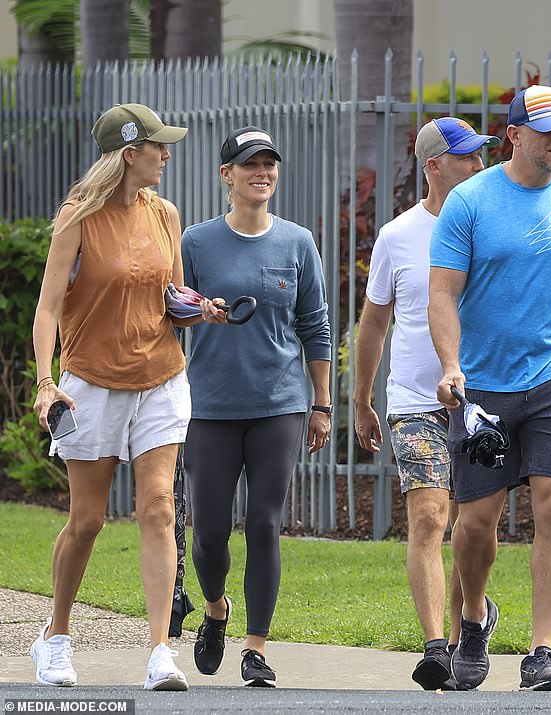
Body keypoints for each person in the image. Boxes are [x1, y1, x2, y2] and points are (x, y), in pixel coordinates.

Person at [428, 85, 551, 692]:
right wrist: (451, 364)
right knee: (477, 521)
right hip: (481, 384)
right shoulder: (470, 201)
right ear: (513, 135)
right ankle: (475, 618)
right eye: (549, 130)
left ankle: (542, 652)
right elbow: (442, 292)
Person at [30, 103, 202, 691]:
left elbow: (173, 296)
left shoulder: (166, 214)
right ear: (131, 155)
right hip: (90, 384)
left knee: (158, 506)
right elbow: (48, 307)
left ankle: (160, 653)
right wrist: (45, 382)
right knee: (88, 520)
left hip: (160, 377)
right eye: (158, 146)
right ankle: (54, 638)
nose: (167, 154)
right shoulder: (78, 218)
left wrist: (200, 309)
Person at [181, 126, 332, 688]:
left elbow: (315, 325)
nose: (261, 173)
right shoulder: (195, 242)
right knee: (211, 533)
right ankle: (216, 608)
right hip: (211, 407)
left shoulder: (298, 242)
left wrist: (321, 404)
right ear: (227, 176)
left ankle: (256, 647)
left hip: (279, 406)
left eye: (269, 164)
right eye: (249, 165)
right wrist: (199, 310)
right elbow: (168, 312)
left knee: (265, 524)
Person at [354, 117, 500, 690]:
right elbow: (373, 324)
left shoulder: (493, 226)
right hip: (415, 399)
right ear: (434, 166)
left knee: (471, 527)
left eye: (480, 156)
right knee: (428, 516)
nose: (479, 166)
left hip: (482, 398)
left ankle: (472, 622)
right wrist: (362, 400)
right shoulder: (397, 236)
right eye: (466, 158)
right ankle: (436, 646)